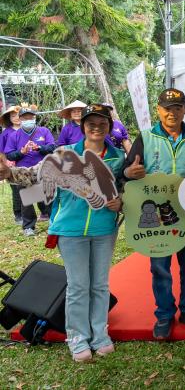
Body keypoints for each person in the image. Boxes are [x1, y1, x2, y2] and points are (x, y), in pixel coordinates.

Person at [0, 104, 123, 362]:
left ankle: (99, 334)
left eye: (103, 123)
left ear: (109, 126)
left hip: (105, 230)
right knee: (78, 285)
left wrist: (120, 201)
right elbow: (34, 175)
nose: (97, 128)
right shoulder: (63, 154)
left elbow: (125, 189)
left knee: (100, 285)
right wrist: (9, 172)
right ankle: (77, 337)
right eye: (91, 123)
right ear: (83, 127)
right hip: (70, 231)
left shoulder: (118, 157)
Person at [123, 88, 185, 339]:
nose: (172, 113)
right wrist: (130, 173)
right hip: (154, 217)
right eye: (167, 108)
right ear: (158, 110)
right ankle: (164, 314)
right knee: (159, 266)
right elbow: (126, 171)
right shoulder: (146, 137)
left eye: (177, 107)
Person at [4, 106, 55, 232]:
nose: (28, 120)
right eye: (25, 118)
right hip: (23, 171)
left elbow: (52, 147)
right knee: (26, 199)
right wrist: (21, 152)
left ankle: (54, 222)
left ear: (34, 118)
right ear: (20, 119)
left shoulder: (44, 131)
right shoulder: (14, 135)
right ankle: (29, 227)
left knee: (48, 196)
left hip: (43, 168)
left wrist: (39, 148)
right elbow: (9, 154)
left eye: (30, 117)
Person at [0, 105, 22, 225]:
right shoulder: (6, 133)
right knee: (16, 189)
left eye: (18, 115)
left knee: (30, 188)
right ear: (9, 118)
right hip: (12, 164)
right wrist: (5, 164)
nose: (16, 118)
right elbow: (1, 151)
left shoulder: (27, 130)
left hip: (27, 164)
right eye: (13, 116)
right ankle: (18, 214)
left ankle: (34, 212)